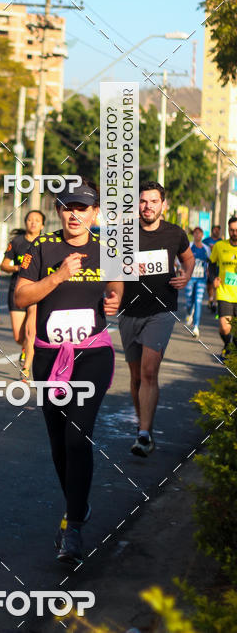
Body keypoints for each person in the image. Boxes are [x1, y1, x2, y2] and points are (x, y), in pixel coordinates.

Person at [15, 178, 123, 565]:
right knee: (59, 441)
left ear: (95, 213)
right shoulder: (42, 248)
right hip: (49, 358)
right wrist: (58, 275)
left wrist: (115, 298)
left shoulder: (107, 248)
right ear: (58, 211)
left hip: (92, 355)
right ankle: (77, 505)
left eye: (82, 208)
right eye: (67, 207)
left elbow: (117, 285)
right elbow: (21, 296)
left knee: (78, 436)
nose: (74, 214)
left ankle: (73, 526)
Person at [118, 182, 193, 458]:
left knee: (149, 371)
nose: (147, 206)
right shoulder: (124, 233)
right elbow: (110, 266)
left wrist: (186, 275)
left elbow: (188, 259)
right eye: (143, 201)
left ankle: (144, 434)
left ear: (164, 204)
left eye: (153, 201)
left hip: (161, 310)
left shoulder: (175, 233)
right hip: (129, 310)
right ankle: (143, 425)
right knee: (136, 376)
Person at [0, 210, 43, 379]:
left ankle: (26, 369)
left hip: (36, 290)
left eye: (37, 220)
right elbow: (4, 265)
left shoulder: (46, 242)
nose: (33, 223)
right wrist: (18, 268)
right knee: (19, 336)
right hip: (17, 290)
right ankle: (25, 347)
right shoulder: (17, 242)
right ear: (25, 222)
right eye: (30, 220)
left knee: (31, 332)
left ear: (42, 225)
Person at [210, 218, 237, 359]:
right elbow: (211, 264)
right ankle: (228, 345)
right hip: (224, 293)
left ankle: (232, 350)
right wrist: (213, 278)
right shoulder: (219, 246)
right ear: (228, 230)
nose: (234, 233)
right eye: (232, 230)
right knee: (225, 327)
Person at [184, 227, 210, 338]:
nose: (197, 235)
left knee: (198, 301)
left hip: (201, 279)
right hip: (190, 278)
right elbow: (182, 259)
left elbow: (210, 261)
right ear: (193, 235)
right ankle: (189, 312)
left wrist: (208, 270)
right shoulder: (189, 246)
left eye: (199, 233)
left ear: (202, 235)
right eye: (195, 233)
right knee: (189, 301)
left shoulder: (206, 248)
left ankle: (196, 327)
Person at [204, 224, 222, 314]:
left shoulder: (221, 242)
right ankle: (210, 298)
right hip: (209, 264)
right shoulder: (206, 241)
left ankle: (214, 302)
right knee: (209, 284)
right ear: (212, 231)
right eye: (215, 229)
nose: (216, 231)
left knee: (216, 284)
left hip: (218, 266)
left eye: (218, 230)